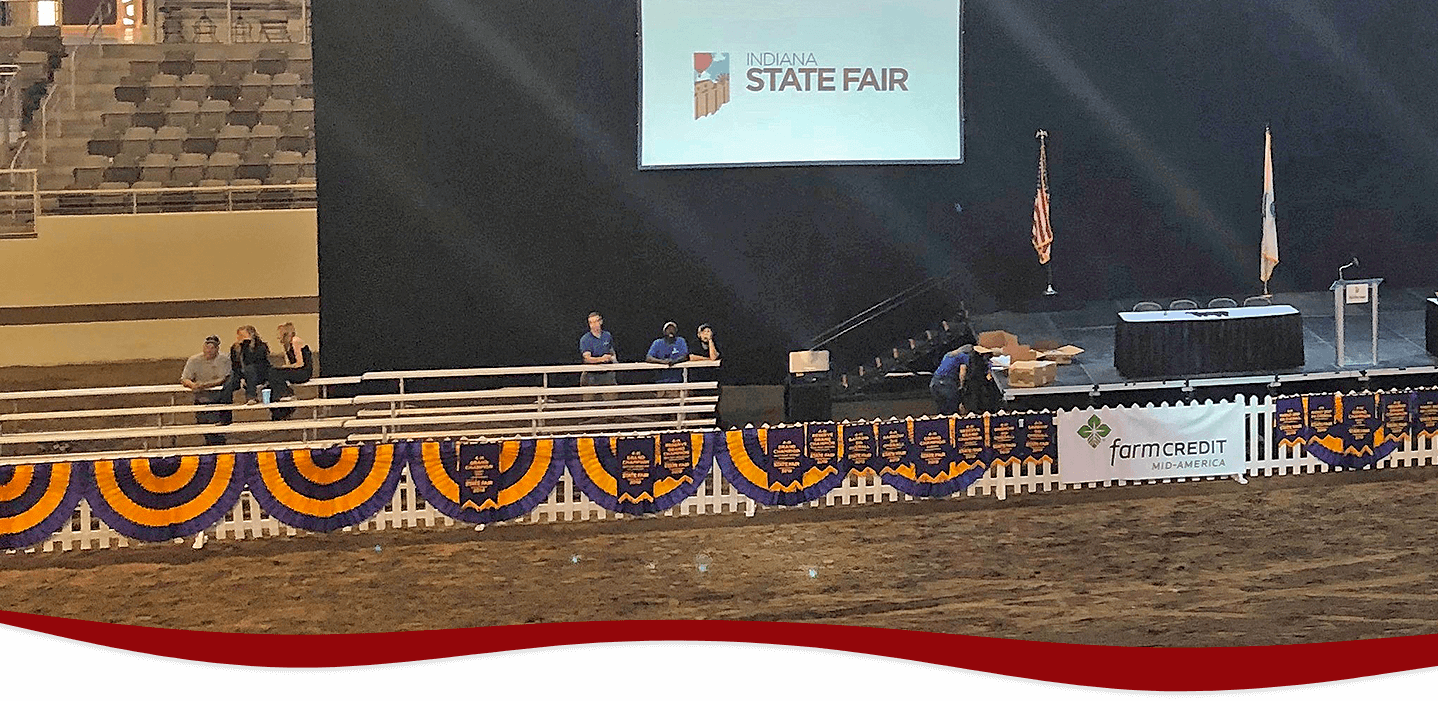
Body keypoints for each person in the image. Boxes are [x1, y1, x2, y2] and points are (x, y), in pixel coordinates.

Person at [181, 335, 233, 445]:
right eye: (207, 346)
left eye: (212, 347)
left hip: (218, 399)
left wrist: (203, 385)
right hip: (201, 399)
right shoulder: (194, 360)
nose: (209, 350)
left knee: (217, 430)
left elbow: (224, 378)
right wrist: (192, 385)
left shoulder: (224, 360)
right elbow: (185, 378)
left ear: (217, 348)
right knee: (204, 428)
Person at [266, 322, 313, 419]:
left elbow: (300, 363)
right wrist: (285, 367)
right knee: (272, 377)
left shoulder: (295, 341)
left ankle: (286, 394)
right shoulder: (286, 345)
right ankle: (278, 410)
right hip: (295, 369)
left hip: (303, 371)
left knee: (274, 372)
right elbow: (289, 363)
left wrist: (286, 368)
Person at [579, 311, 618, 402]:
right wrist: (602, 359)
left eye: (596, 321)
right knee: (588, 402)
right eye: (591, 322)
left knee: (611, 401)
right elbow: (587, 359)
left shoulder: (607, 336)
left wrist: (614, 360)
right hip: (590, 375)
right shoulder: (585, 339)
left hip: (607, 374)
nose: (594, 325)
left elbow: (611, 350)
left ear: (601, 322)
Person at [230, 325, 271, 405]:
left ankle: (251, 396)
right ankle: (225, 401)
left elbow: (255, 361)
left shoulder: (261, 346)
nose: (239, 337)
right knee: (230, 379)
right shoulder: (235, 348)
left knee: (250, 369)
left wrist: (245, 345)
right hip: (242, 373)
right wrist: (241, 377)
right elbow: (235, 365)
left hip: (259, 372)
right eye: (239, 335)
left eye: (242, 335)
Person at [646, 322, 689, 395]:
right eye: (668, 329)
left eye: (673, 329)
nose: (671, 331)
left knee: (677, 403)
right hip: (661, 382)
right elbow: (648, 358)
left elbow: (685, 356)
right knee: (661, 404)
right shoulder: (658, 343)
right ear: (664, 331)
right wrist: (663, 362)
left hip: (676, 382)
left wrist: (674, 361)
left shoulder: (680, 341)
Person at [959, 349, 1005, 415]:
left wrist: (962, 385)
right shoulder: (985, 361)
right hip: (982, 385)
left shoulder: (971, 357)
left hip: (973, 385)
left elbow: (963, 372)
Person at [929, 343, 970, 415]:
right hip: (946, 382)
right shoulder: (964, 356)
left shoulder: (948, 354)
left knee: (942, 407)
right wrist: (961, 385)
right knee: (952, 408)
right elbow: (962, 371)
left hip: (934, 381)